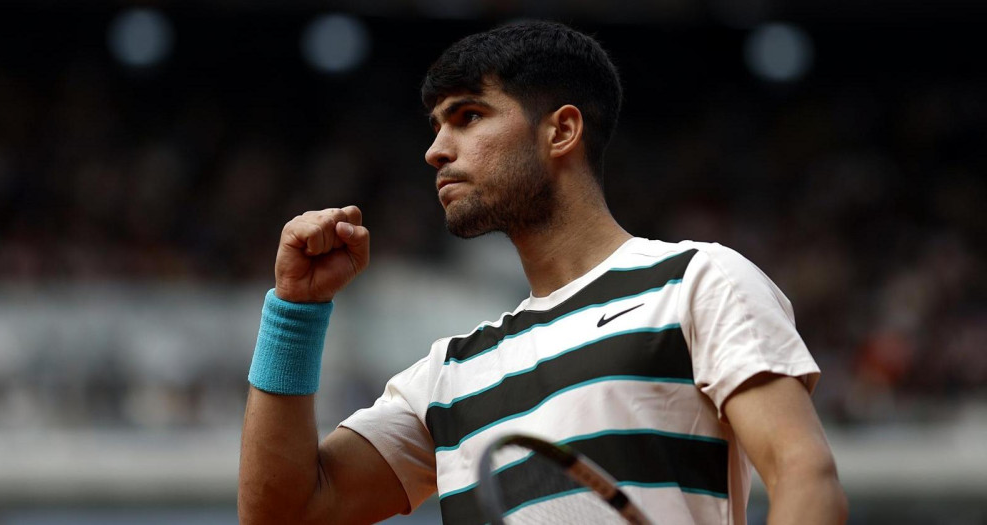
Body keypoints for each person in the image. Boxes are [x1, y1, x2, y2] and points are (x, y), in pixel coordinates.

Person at [239, 20, 847, 525]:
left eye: (469, 116)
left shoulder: (697, 282)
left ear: (561, 130)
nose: (436, 150)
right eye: (437, 126)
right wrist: (295, 312)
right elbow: (283, 515)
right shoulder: (448, 375)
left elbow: (805, 477)